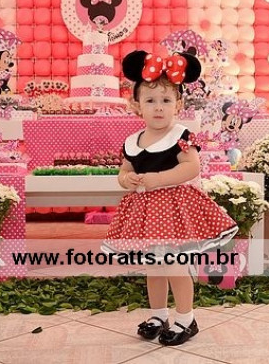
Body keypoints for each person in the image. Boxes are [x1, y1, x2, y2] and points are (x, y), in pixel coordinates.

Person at [101, 50, 238, 346]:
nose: (158, 107)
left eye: (166, 100)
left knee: (175, 265)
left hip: (174, 211)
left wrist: (159, 179)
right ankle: (158, 314)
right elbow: (124, 170)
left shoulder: (181, 135)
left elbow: (191, 167)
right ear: (136, 105)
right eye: (150, 101)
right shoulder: (133, 141)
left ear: (178, 104)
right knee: (154, 266)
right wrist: (127, 179)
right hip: (147, 213)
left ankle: (186, 318)